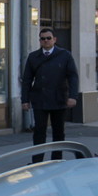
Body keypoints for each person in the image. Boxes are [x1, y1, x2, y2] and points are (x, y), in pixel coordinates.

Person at [21, 27, 79, 163]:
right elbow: (27, 80)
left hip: (59, 99)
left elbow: (73, 77)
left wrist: (73, 96)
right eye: (43, 39)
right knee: (39, 132)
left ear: (54, 39)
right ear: (40, 41)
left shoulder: (65, 55)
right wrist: (25, 100)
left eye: (48, 38)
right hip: (40, 99)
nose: (46, 41)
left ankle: (56, 161)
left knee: (58, 132)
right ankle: (37, 161)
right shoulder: (33, 57)